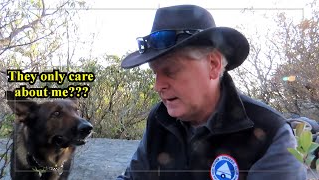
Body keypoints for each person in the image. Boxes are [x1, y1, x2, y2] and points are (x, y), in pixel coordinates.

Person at [117, 4, 307, 180]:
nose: (158, 86)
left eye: (170, 70)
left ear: (213, 65)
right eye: (155, 73)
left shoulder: (271, 133)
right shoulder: (160, 119)